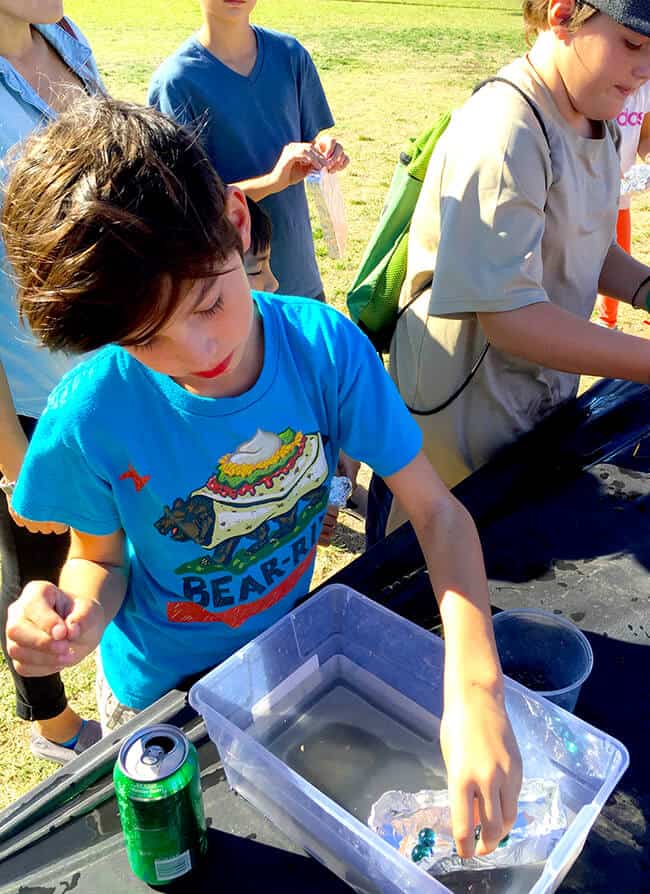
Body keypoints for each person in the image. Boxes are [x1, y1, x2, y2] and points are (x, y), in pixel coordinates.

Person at [3, 99, 520, 857]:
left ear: (236, 223)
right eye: (148, 339)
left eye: (210, 301)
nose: (199, 349)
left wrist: (475, 687)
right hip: (161, 698)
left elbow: (438, 515)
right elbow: (99, 557)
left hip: (283, 652)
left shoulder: (325, 350)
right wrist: (75, 612)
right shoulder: (92, 414)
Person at [371, 0, 650, 540]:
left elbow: (581, 238)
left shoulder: (600, 117)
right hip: (460, 421)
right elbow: (511, 316)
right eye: (633, 45)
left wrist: (643, 287)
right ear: (563, 14)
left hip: (532, 400)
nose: (645, 70)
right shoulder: (506, 127)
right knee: (432, 573)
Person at [0, 0, 102, 764]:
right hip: (30, 390)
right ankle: (49, 722)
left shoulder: (63, 36)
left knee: (105, 544)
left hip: (106, 363)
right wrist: (9, 456)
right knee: (32, 561)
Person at [147, 0, 349, 301]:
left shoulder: (290, 55)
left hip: (301, 280)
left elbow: (309, 137)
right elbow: (190, 211)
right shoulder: (176, 83)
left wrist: (323, 151)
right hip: (230, 296)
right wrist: (272, 181)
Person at [595, 84, 650, 328]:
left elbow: (646, 135)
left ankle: (608, 325)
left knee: (618, 261)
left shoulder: (646, 90)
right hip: (584, 197)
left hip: (621, 199)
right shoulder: (602, 84)